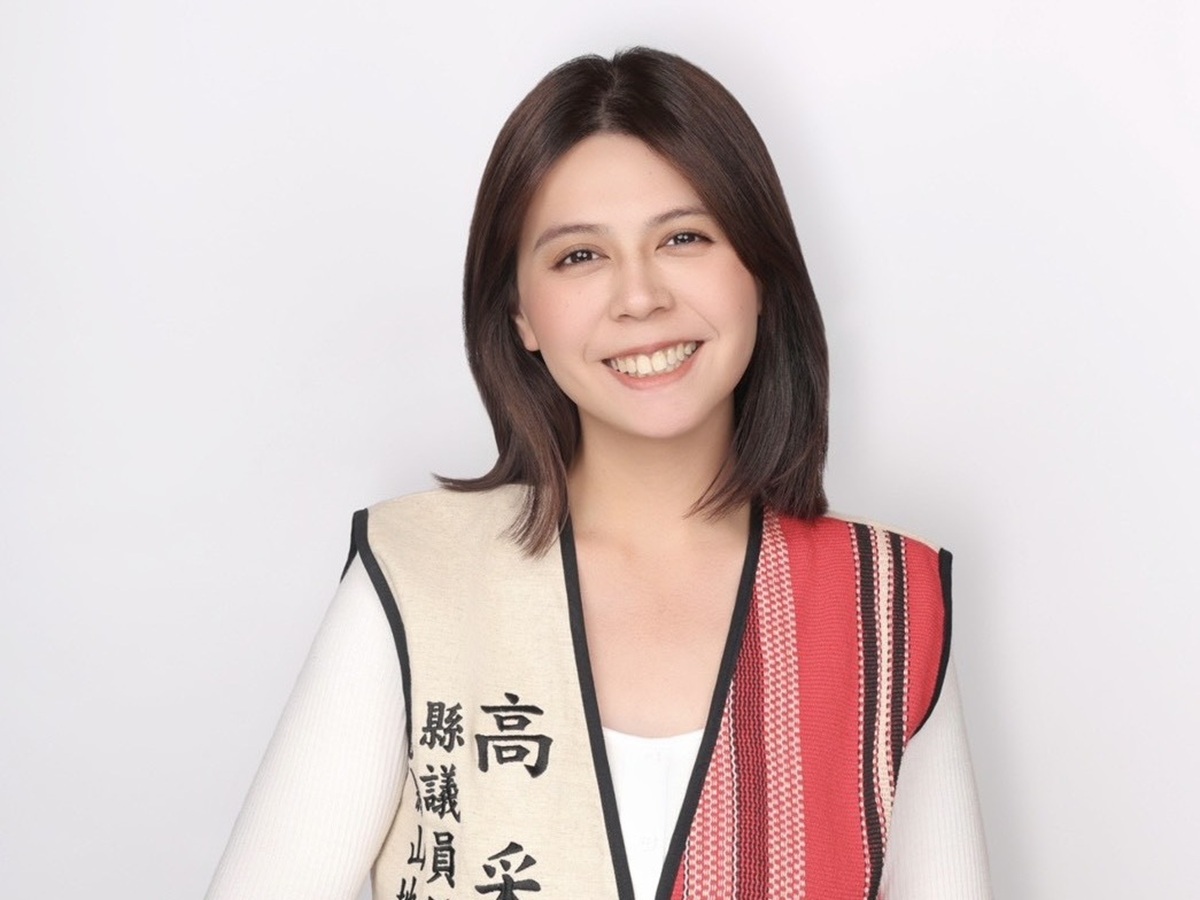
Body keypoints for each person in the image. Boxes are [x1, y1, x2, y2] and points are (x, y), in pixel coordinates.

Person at [205, 47, 991, 900]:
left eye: (684, 238)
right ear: (520, 314)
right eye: (580, 256)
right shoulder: (417, 575)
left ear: (759, 273)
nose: (640, 297)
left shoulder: (885, 602)